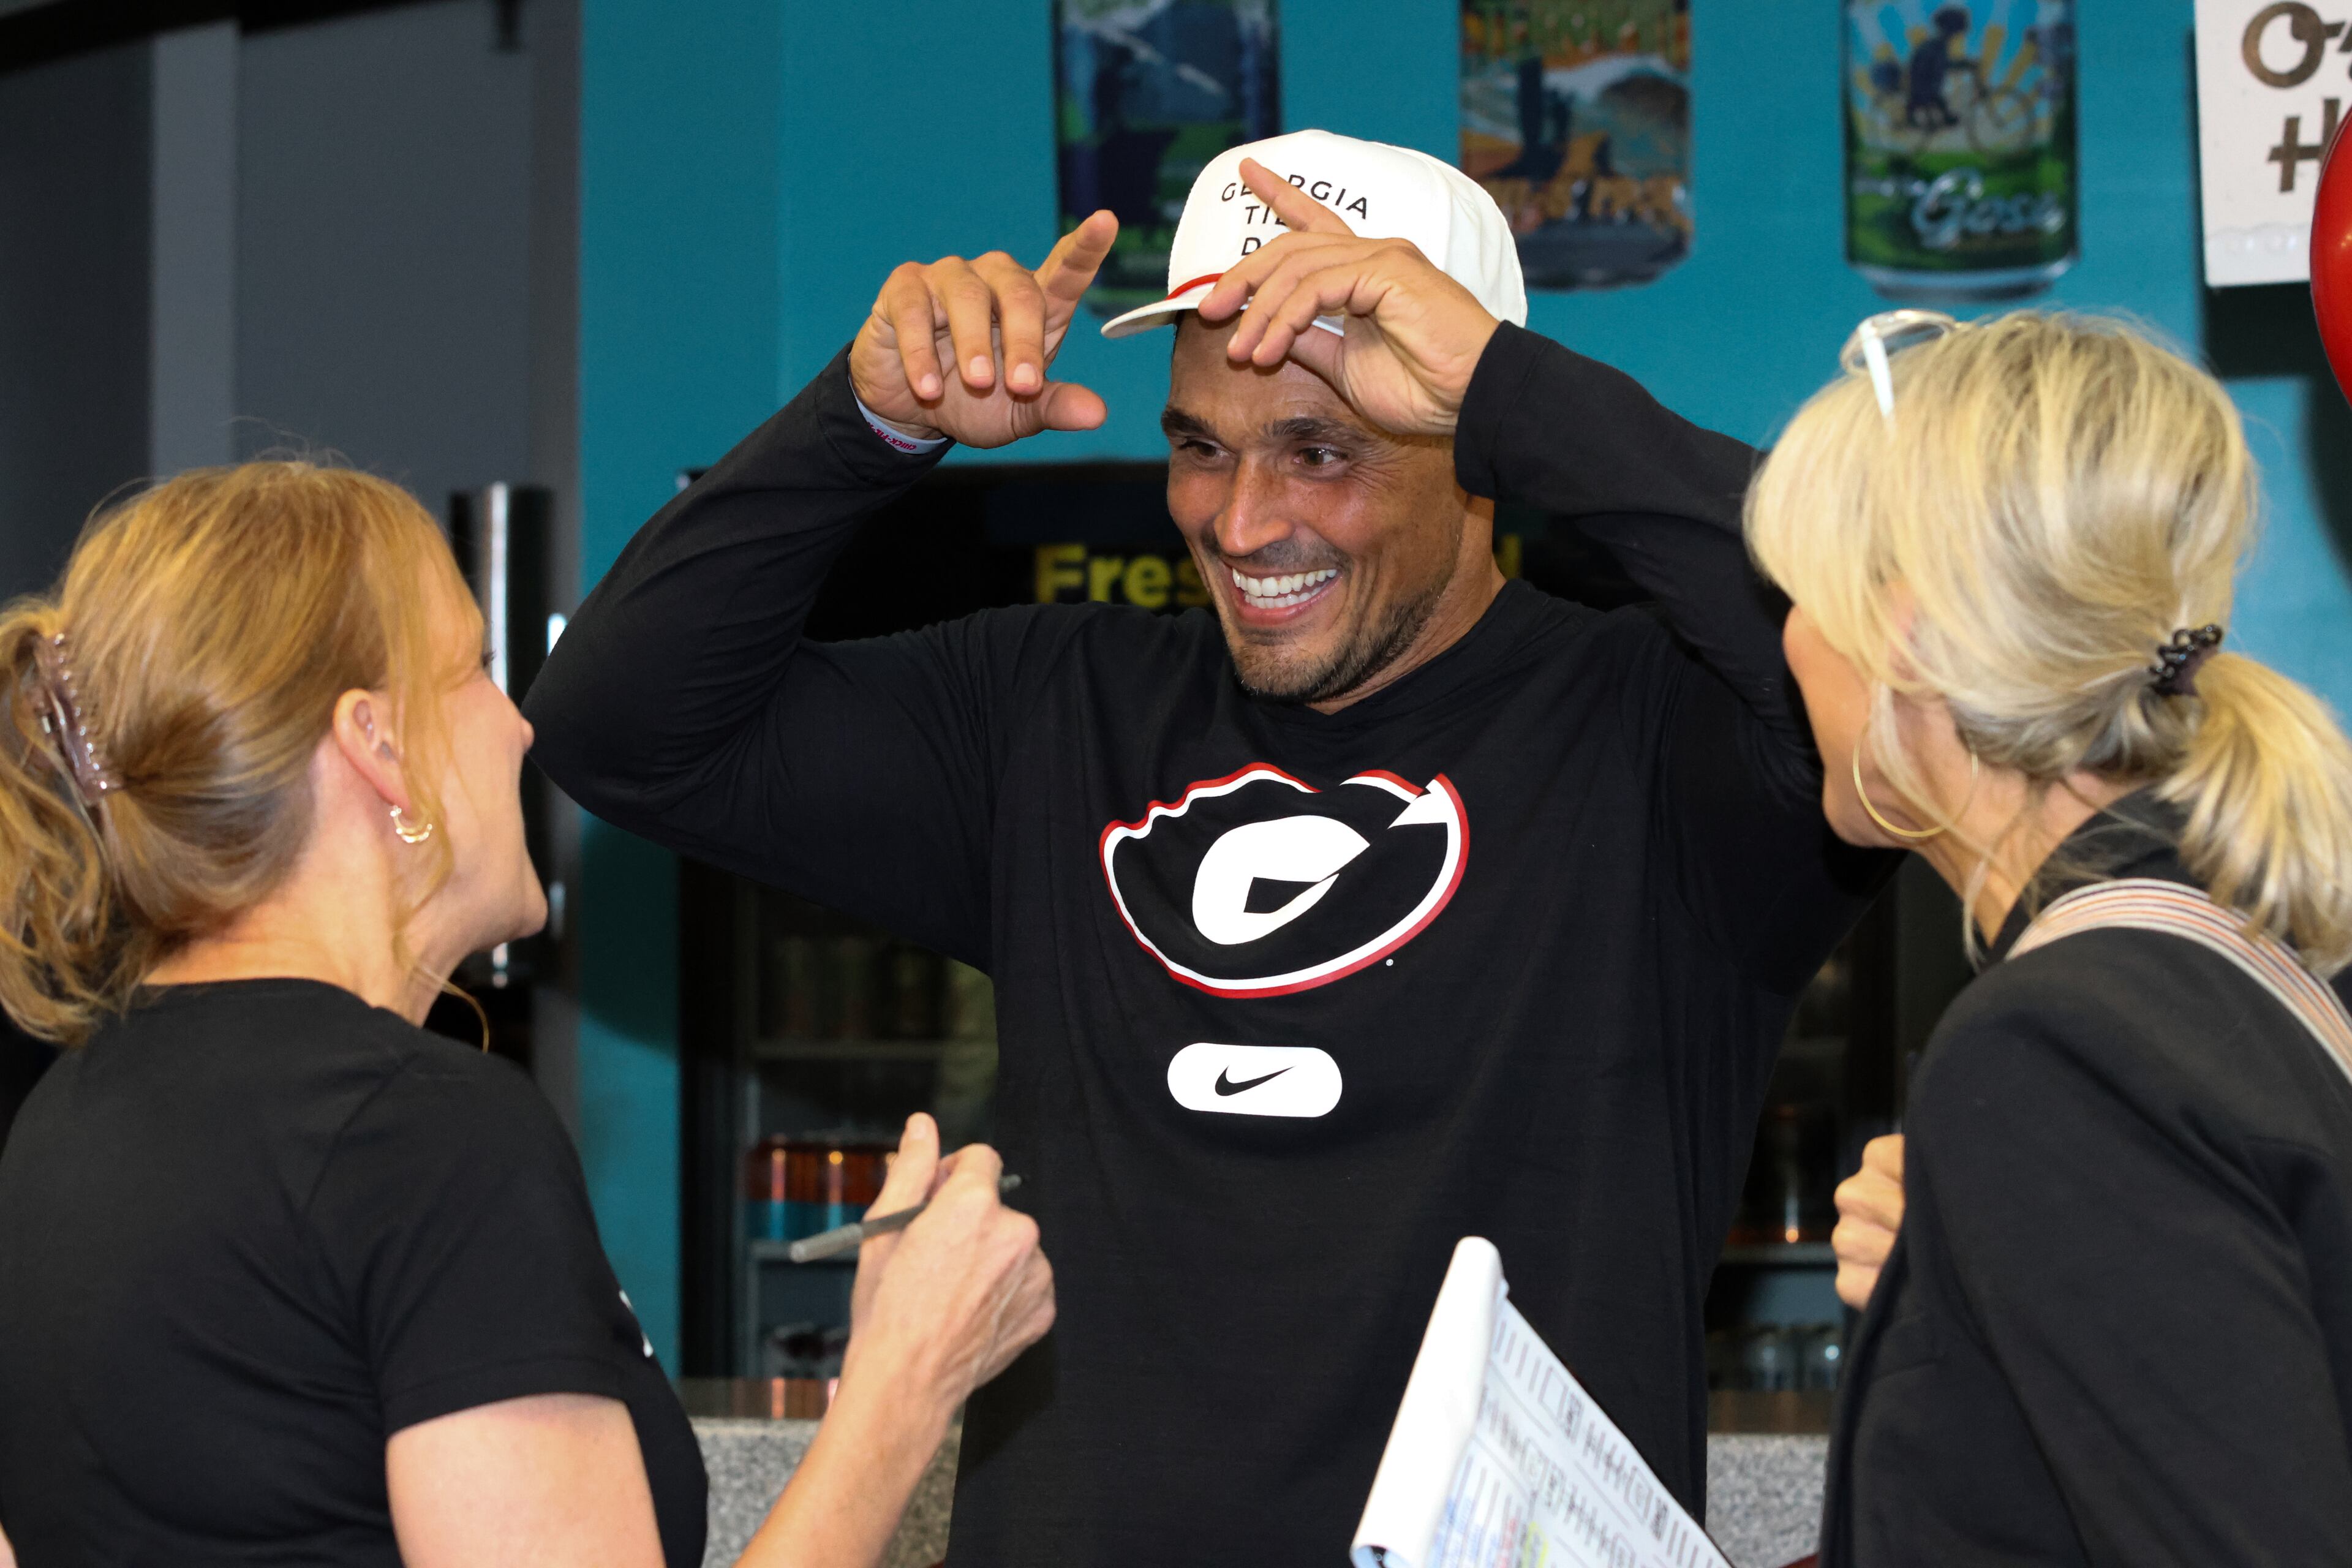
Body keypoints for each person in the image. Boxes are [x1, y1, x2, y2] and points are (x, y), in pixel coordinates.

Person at [524, 128, 1888, 1562]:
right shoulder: (1053, 711)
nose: (1242, 521)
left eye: (1322, 449)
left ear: (1478, 460)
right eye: (1200, 447)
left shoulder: (1668, 743)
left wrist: (1511, 386)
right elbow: (621, 725)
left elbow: (1907, 655)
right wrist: (865, 421)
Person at [0, 462, 1054, 1568]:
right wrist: (901, 1389)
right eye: (477, 671)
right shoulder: (422, 1138)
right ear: (381, 747)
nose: (516, 727)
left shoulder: (67, 1115)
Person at [1746, 310, 2352, 1564]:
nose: (1786, 641)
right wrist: (1968, 1273)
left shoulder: (2058, 1043)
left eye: (1797, 598)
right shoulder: (2224, 960)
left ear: (1904, 641)